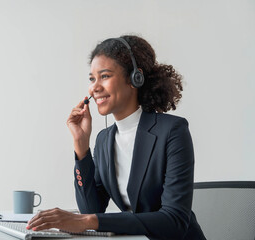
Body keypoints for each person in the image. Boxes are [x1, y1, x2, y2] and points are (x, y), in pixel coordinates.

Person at [27, 35, 206, 240]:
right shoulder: (104, 140)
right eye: (92, 78)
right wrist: (81, 146)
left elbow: (174, 220)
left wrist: (90, 221)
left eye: (104, 76)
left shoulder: (172, 131)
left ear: (134, 79)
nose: (94, 87)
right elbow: (90, 208)